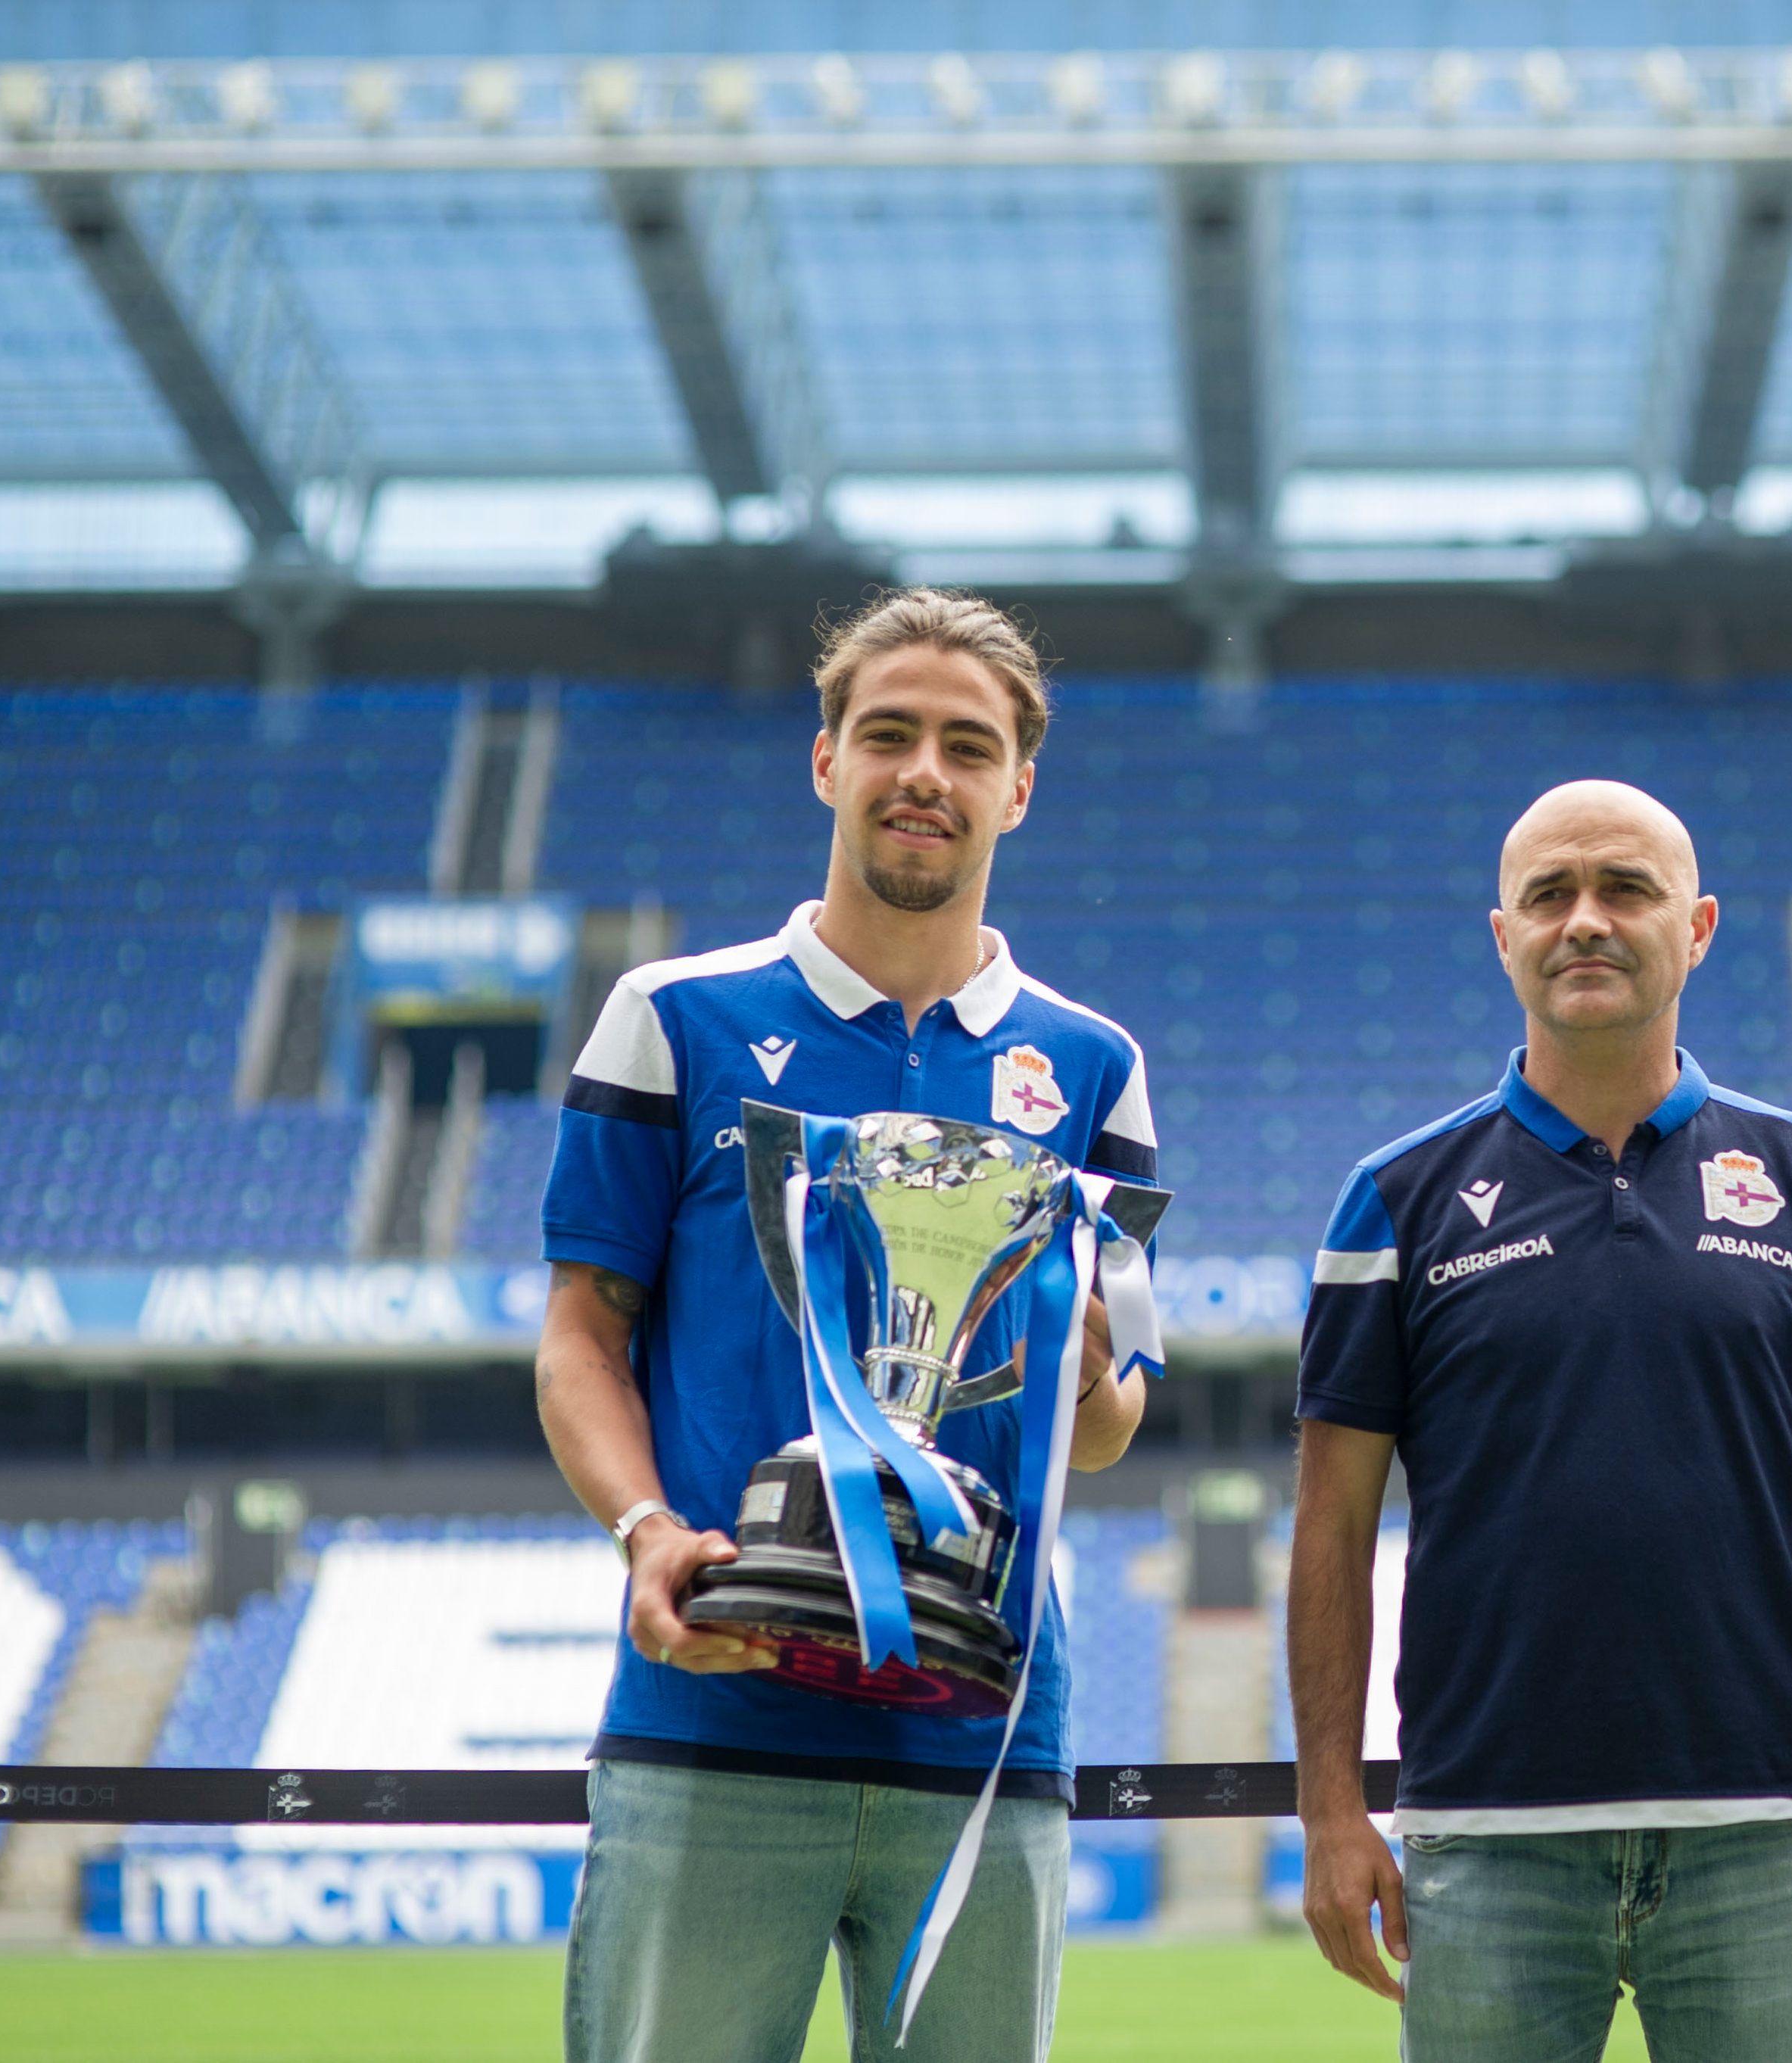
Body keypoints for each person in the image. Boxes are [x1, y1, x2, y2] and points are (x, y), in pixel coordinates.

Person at [535, 588, 1159, 2063]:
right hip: (715, 1703)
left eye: (965, 743)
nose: (922, 773)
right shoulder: (673, 1016)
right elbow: (579, 1333)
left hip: (986, 1729)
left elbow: (1116, 1418)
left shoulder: (1091, 1067)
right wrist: (644, 1532)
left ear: (1019, 784)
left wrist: (1077, 1366)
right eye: (886, 734)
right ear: (826, 762)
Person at [1287, 778, 1792, 2063]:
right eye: (1551, 895)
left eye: (1625, 890)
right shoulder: (1394, 1198)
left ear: (1696, 926)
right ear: (1503, 936)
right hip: (1485, 1846)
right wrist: (1329, 1810)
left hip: (1764, 1840)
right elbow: (1331, 1527)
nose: (1585, 920)